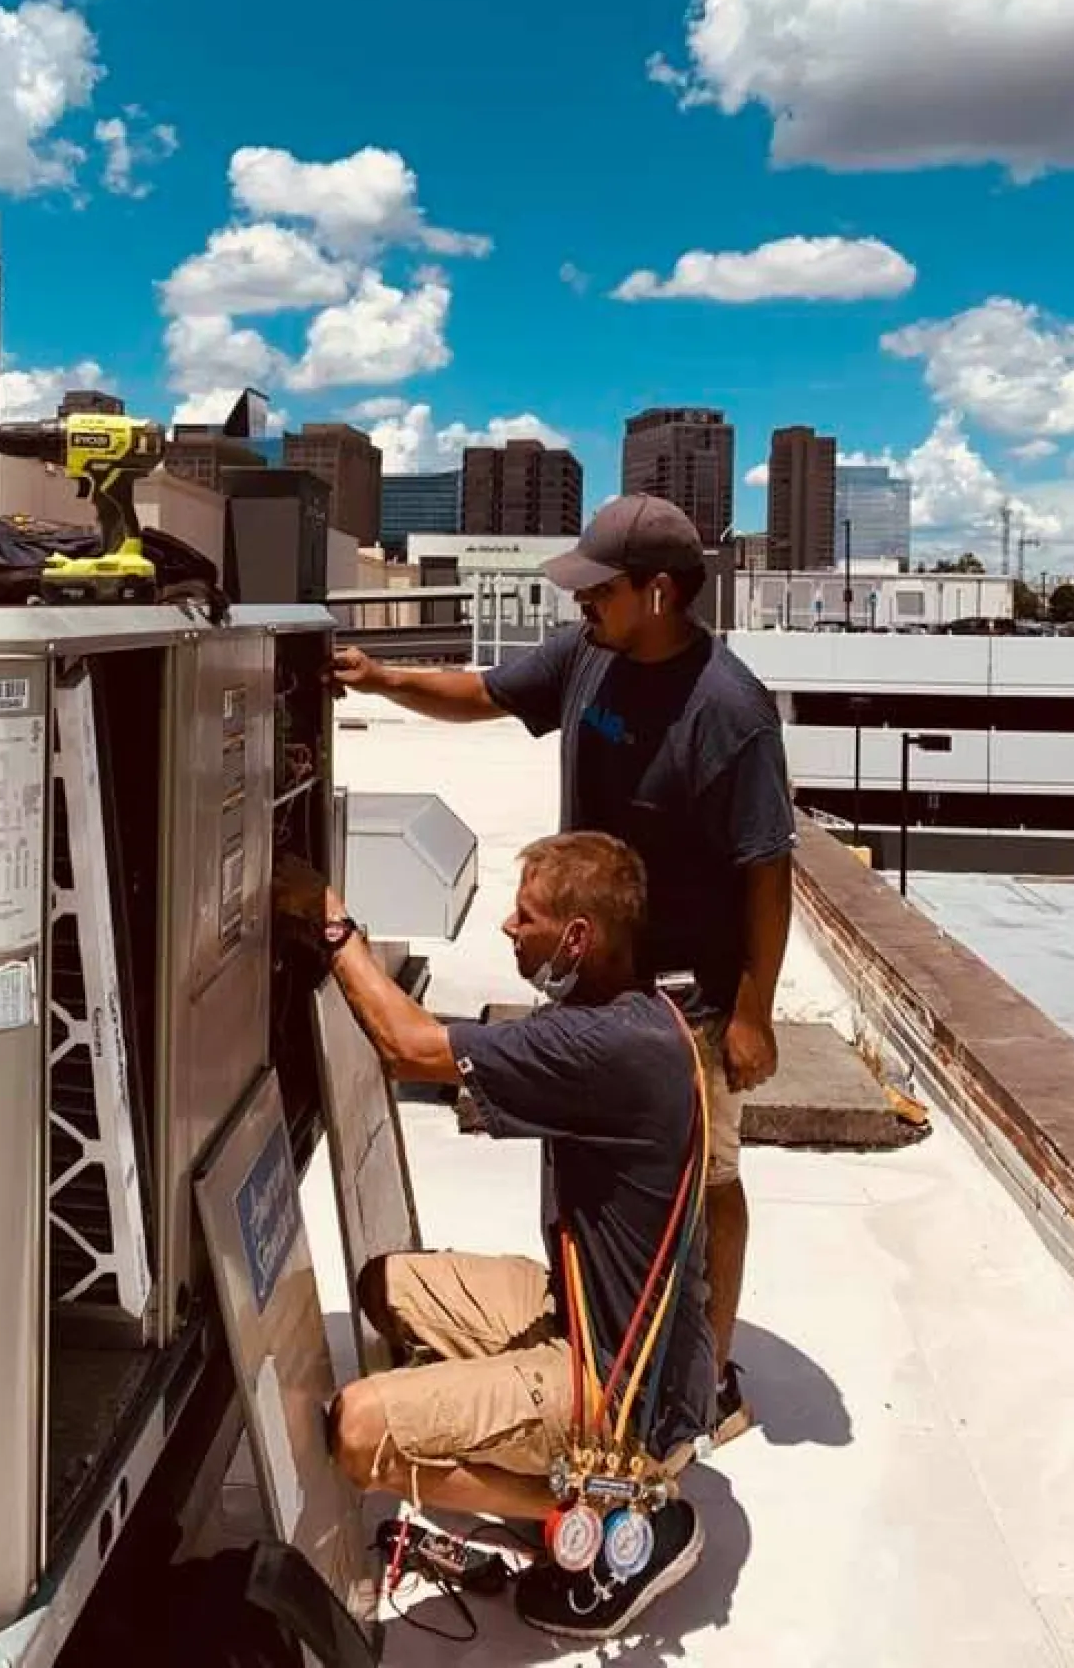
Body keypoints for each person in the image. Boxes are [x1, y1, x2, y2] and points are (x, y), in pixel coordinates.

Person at [331, 494, 795, 1441]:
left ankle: (701, 1377)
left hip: (685, 1000)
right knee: (594, 1169)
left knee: (709, 1177)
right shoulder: (591, 655)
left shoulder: (731, 711)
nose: (581, 601)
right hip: (592, 983)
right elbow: (483, 694)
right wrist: (379, 676)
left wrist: (755, 1011)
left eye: (600, 587)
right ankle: (602, 1335)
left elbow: (768, 871)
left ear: (658, 592)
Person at [287, 831, 712, 1645]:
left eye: (528, 916)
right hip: (596, 1321)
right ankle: (525, 1441)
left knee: (357, 1432)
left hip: (614, 1389)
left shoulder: (602, 1048)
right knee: (385, 1286)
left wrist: (332, 924)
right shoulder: (640, 1016)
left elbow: (408, 1044)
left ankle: (611, 1505)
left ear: (578, 938)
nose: (509, 928)